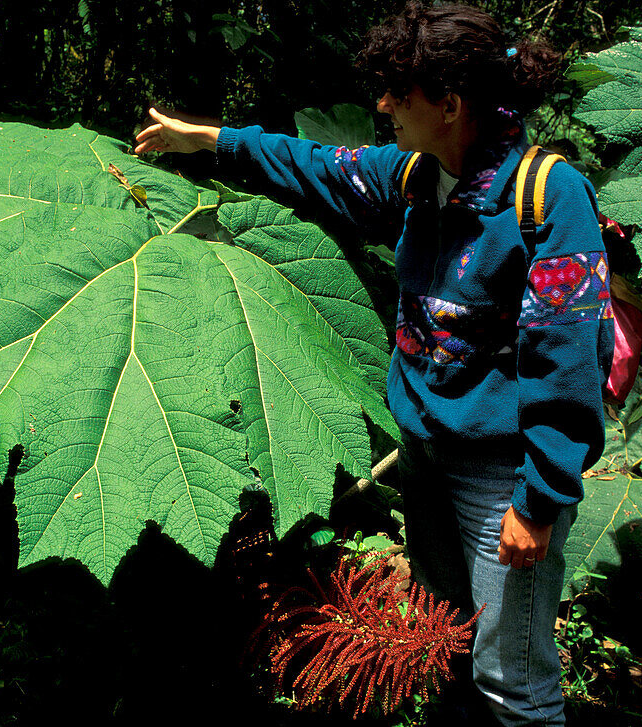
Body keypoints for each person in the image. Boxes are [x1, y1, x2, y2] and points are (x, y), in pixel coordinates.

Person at [134, 3, 613, 724]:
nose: (383, 106)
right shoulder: (419, 178)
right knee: (445, 640)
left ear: (450, 106)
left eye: (401, 94)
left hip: (501, 476)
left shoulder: (546, 197)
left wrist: (539, 498)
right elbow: (321, 167)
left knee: (510, 676)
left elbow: (568, 354)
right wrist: (210, 140)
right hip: (426, 457)